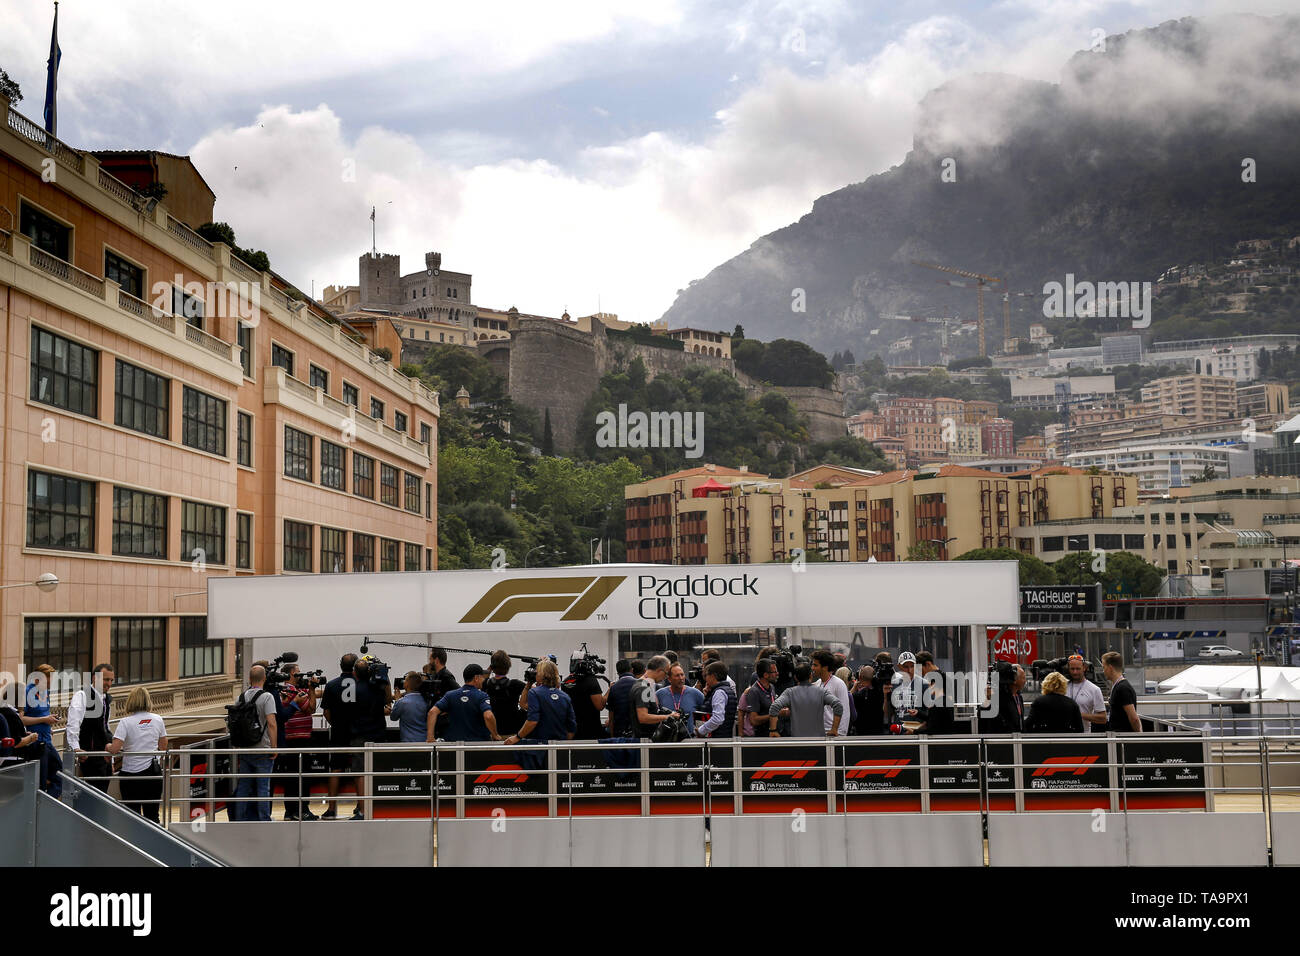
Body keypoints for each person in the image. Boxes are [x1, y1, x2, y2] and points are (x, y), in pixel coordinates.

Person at [105, 686, 168, 823]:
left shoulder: (125, 722)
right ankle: (153, 843)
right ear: (148, 701)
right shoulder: (158, 719)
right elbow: (163, 746)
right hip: (153, 774)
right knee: (152, 815)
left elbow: (115, 749)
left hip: (131, 775)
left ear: (131, 701)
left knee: (133, 818)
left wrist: (107, 746)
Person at [347, 656, 393, 820]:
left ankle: (363, 810)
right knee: (377, 772)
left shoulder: (352, 689)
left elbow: (347, 711)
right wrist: (386, 679)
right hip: (378, 733)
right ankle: (378, 808)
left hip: (359, 734)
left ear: (355, 673)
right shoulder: (379, 688)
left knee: (360, 773)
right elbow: (388, 700)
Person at [233, 665, 278, 821]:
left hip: (245, 749)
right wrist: (274, 748)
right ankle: (264, 819)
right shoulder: (267, 697)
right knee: (263, 787)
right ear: (264, 678)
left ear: (250, 679)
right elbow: (271, 723)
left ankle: (240, 818)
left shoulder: (240, 697)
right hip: (263, 749)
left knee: (244, 786)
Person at [274, 662, 318, 821]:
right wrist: (312, 689)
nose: (301, 675)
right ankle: (302, 810)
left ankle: (290, 811)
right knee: (302, 777)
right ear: (291, 674)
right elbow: (311, 708)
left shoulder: (287, 690)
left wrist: (310, 689)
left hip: (290, 739)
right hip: (299, 740)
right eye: (298, 672)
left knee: (291, 777)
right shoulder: (291, 691)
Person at [66, 663, 115, 793]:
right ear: (95, 678)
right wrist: (76, 748)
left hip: (105, 755)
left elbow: (106, 727)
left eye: (111, 680)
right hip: (90, 754)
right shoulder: (82, 696)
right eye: (106, 679)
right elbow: (73, 724)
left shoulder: (106, 699)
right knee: (95, 793)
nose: (109, 684)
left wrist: (112, 760)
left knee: (103, 792)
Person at [321, 653, 358, 820]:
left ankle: (331, 808)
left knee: (335, 768)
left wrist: (335, 724)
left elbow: (326, 712)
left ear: (340, 665)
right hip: (358, 730)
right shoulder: (362, 684)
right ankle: (361, 806)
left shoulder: (331, 685)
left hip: (338, 731)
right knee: (360, 769)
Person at [504, 660, 575, 745]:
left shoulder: (535, 693)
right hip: (559, 745)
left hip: (540, 745)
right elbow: (571, 727)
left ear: (541, 674)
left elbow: (532, 720)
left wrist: (517, 737)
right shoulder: (565, 697)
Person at [428, 664, 500, 743]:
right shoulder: (482, 696)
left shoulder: (450, 695)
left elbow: (432, 712)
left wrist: (430, 738)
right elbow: (488, 716)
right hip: (477, 747)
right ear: (476, 678)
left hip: (455, 747)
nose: (483, 679)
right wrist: (495, 735)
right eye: (482, 677)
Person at [769, 663, 842, 738]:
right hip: (818, 742)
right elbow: (838, 705)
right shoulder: (822, 692)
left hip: (798, 741)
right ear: (811, 675)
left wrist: (773, 731)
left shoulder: (790, 693)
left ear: (795, 677)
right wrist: (834, 729)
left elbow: (774, 707)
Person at [22, 664, 63, 796]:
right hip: (36, 743)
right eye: (49, 680)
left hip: (47, 740)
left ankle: (48, 803)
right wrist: (44, 720)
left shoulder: (46, 692)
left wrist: (49, 722)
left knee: (62, 776)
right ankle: (40, 808)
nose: (51, 684)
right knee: (41, 782)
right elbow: (21, 719)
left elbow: (43, 713)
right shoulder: (27, 692)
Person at [560, 651, 605, 740]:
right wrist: (610, 690)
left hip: (573, 730)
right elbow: (600, 706)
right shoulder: (591, 680)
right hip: (591, 730)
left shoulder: (566, 681)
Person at [630, 655, 677, 738]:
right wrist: (668, 717)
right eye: (666, 673)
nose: (665, 677)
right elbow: (643, 717)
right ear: (659, 670)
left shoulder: (642, 684)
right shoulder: (644, 688)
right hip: (644, 741)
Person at [485, 650, 528, 738]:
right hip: (512, 733)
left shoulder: (486, 684)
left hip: (493, 733)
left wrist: (492, 664)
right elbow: (535, 689)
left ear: (492, 667)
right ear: (508, 667)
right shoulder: (515, 684)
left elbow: (484, 675)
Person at [657, 664, 705, 736]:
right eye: (677, 675)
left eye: (682, 675)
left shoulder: (695, 694)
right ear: (669, 679)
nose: (681, 678)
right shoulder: (660, 694)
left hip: (689, 740)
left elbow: (705, 715)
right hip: (666, 740)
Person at [811, 649, 850, 737]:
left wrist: (840, 734)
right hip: (819, 734)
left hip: (834, 735)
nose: (812, 668)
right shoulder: (817, 683)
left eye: (815, 665)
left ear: (825, 667)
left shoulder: (839, 684)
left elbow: (845, 711)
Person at [914, 651, 954, 735]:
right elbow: (936, 716)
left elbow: (936, 725)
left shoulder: (938, 680)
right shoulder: (943, 678)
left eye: (921, 670)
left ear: (928, 664)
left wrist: (914, 732)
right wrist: (919, 714)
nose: (921, 674)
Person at [694, 661, 738, 738]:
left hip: (717, 739)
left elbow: (718, 719)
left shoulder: (719, 692)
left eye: (706, 675)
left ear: (713, 676)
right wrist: (708, 695)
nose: (705, 679)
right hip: (725, 736)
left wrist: (701, 731)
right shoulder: (727, 690)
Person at [424, 647, 460, 738]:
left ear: (436, 660)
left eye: (430, 659)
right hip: (438, 723)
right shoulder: (437, 675)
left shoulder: (446, 676)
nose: (429, 661)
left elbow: (459, 693)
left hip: (445, 725)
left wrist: (447, 710)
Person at [979, 663, 1025, 733]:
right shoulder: (999, 697)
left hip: (1017, 739)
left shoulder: (1018, 696)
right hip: (1002, 740)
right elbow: (983, 717)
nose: (1025, 681)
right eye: (1023, 678)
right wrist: (988, 699)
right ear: (1014, 680)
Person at [1065, 655, 1107, 733]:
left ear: (1084, 668)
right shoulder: (1061, 687)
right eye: (1072, 669)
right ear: (1068, 669)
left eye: (1078, 669)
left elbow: (1103, 718)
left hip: (1084, 735)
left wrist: (1078, 715)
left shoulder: (1094, 689)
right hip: (1063, 736)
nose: (1075, 672)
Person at [737, 659, 777, 737]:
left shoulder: (771, 687)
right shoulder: (753, 691)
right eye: (774, 672)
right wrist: (775, 714)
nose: (777, 674)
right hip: (756, 737)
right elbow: (754, 720)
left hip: (768, 733)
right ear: (765, 675)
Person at [1103, 651, 1141, 732]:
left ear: (1110, 668)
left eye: (1104, 667)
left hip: (1122, 738)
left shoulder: (1122, 688)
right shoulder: (1119, 686)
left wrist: (1139, 738)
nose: (1103, 671)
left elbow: (1134, 718)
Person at [390, 672, 431, 742]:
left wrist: (397, 700)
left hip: (408, 741)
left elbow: (393, 717)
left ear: (407, 684)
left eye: (405, 680)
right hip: (424, 740)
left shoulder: (402, 702)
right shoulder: (426, 701)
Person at [605, 658, 637, 738]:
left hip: (619, 732)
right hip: (636, 732)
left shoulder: (613, 688)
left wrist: (612, 738)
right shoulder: (641, 684)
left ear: (618, 673)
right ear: (632, 670)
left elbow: (611, 717)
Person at [851, 666, 881, 735]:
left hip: (861, 733)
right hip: (879, 732)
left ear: (860, 678)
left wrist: (854, 687)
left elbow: (848, 699)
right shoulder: (881, 692)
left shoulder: (859, 695)